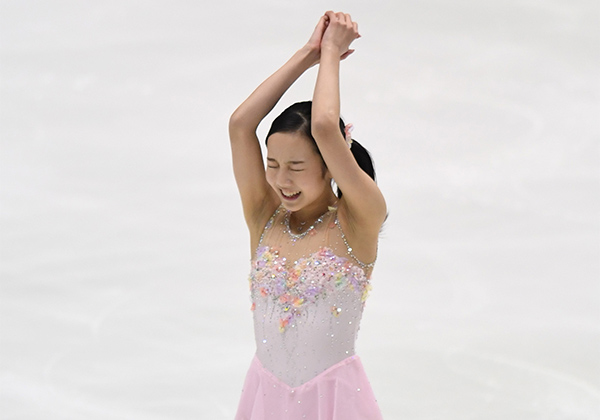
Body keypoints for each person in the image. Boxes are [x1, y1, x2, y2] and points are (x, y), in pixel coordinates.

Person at [229, 11, 387, 420]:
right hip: (266, 400)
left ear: (330, 165)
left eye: (296, 167)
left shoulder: (357, 220)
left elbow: (324, 126)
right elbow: (241, 124)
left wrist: (332, 52)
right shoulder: (265, 217)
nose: (281, 180)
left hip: (334, 403)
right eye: (273, 164)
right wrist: (308, 54)